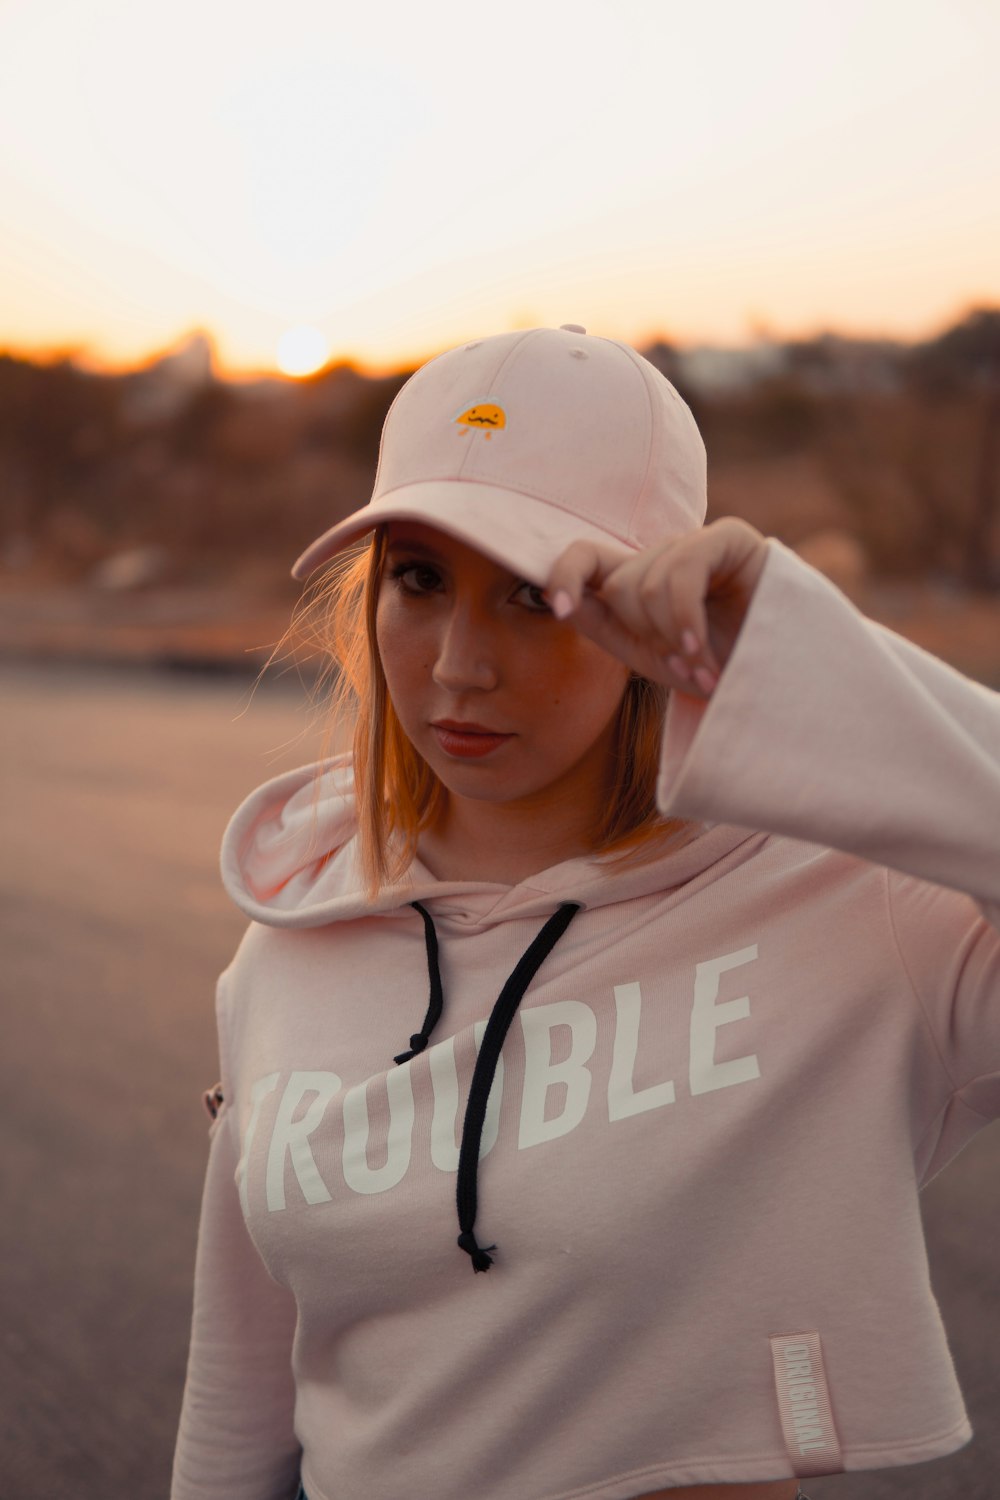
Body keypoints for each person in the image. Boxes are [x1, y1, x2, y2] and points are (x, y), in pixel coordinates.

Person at [171, 323, 1000, 1500]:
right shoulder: (293, 939)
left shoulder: (849, 911)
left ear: (653, 610)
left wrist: (797, 647)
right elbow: (238, 1397)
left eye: (532, 595)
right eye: (419, 580)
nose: (461, 663)